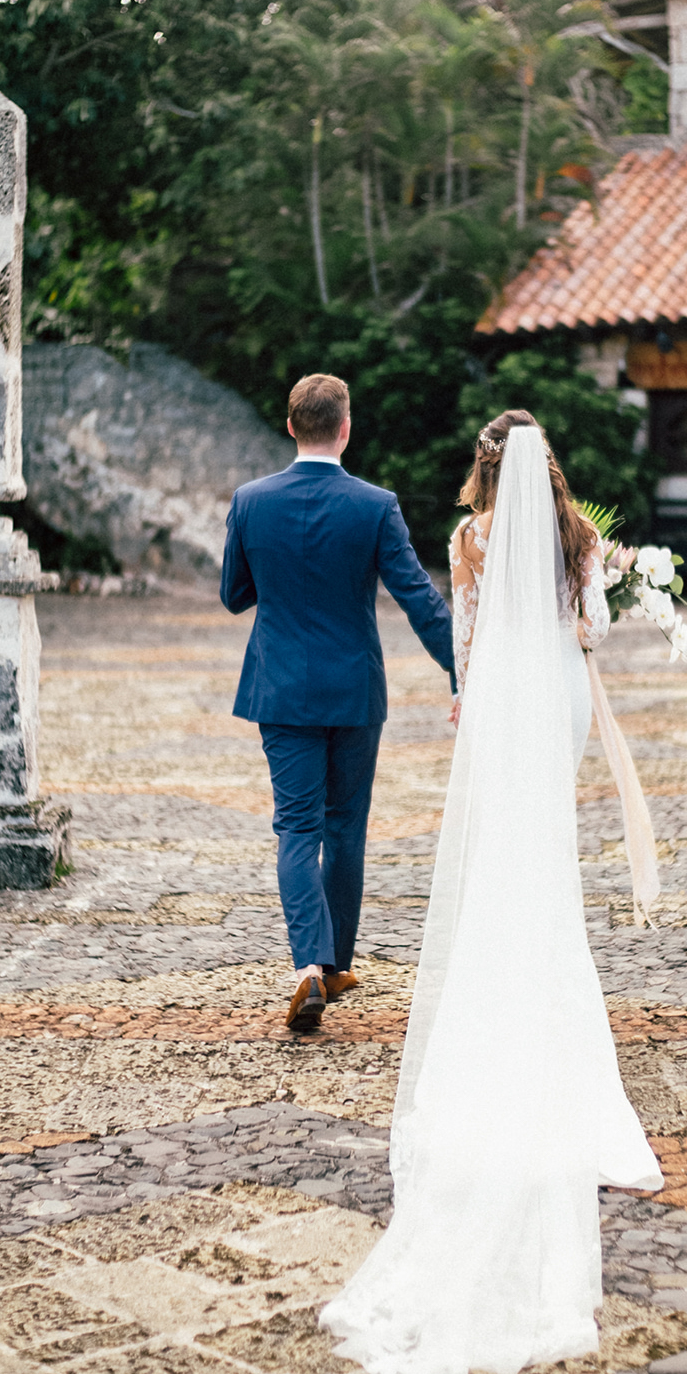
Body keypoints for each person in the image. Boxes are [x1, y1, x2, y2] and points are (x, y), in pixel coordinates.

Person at [320, 410, 663, 1374]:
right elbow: (589, 628)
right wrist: (594, 598)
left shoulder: (468, 539)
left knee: (502, 841)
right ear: (548, 469)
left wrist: (467, 702)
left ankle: (495, 987)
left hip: (501, 695)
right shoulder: (577, 537)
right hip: (553, 690)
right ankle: (550, 993)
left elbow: (465, 638)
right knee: (545, 846)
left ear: (479, 469)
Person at [220, 374, 456, 1032]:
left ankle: (308, 966)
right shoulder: (375, 505)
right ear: (344, 429)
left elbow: (234, 594)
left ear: (291, 426)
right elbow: (418, 599)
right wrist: (461, 671)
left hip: (281, 688)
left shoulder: (249, 501)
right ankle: (331, 965)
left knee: (296, 829)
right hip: (353, 690)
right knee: (345, 829)